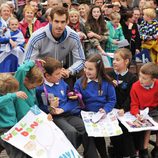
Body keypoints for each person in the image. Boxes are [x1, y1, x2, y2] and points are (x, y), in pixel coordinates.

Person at [36, 57, 99, 158]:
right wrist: (50, 108)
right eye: (57, 74)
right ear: (47, 75)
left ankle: (91, 155)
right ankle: (67, 155)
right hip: (55, 118)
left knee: (87, 128)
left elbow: (72, 102)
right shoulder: (40, 88)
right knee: (71, 132)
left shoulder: (62, 83)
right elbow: (40, 107)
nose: (60, 76)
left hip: (68, 114)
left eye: (60, 72)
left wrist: (64, 107)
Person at [74, 53, 116, 158]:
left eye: (90, 69)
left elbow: (111, 100)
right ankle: (90, 154)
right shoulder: (79, 83)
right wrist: (76, 98)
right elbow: (77, 101)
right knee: (89, 135)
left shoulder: (106, 82)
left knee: (99, 136)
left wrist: (105, 110)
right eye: (85, 68)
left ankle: (103, 155)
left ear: (99, 69)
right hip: (85, 115)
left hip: (102, 115)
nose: (87, 71)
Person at [25, 6, 85, 78]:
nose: (59, 26)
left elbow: (81, 60)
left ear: (67, 22)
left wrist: (69, 71)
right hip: (39, 74)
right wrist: (40, 69)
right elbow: (26, 62)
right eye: (56, 21)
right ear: (50, 20)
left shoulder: (74, 37)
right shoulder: (37, 37)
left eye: (62, 22)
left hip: (60, 74)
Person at [108, 48, 140, 158]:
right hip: (112, 109)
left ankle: (130, 154)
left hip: (126, 110)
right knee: (115, 127)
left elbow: (131, 97)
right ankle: (117, 152)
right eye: (113, 59)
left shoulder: (132, 77)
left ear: (126, 61)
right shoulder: (109, 75)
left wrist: (125, 109)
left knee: (125, 128)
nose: (114, 62)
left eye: (117, 59)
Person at [130, 62, 158, 158]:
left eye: (144, 78)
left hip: (154, 110)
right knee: (148, 127)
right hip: (142, 111)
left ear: (153, 80)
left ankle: (156, 149)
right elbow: (134, 105)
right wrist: (136, 114)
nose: (140, 80)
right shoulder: (135, 86)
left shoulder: (157, 85)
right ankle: (144, 149)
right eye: (140, 76)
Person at [0, 73, 30, 158]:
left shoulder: (9, 96)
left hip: (13, 127)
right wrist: (13, 95)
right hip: (3, 129)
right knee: (17, 151)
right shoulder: (8, 97)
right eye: (12, 91)